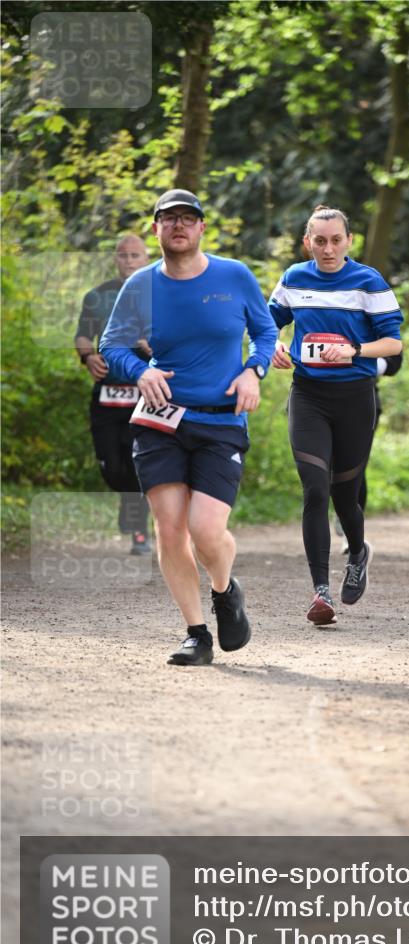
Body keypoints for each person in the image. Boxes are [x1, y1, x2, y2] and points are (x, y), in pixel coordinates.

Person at [100, 189, 277, 666]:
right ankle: (196, 633)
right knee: (171, 528)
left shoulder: (233, 275)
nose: (179, 225)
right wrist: (140, 371)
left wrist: (252, 371)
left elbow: (265, 332)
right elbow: (110, 345)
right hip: (160, 422)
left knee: (206, 530)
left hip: (220, 422)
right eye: (168, 218)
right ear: (156, 228)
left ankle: (225, 589)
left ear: (201, 228)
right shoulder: (140, 285)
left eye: (188, 218)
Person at [269, 204, 403, 626]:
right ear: (307, 241)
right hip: (308, 396)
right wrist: (271, 344)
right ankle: (320, 591)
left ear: (348, 241)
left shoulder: (368, 282)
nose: (328, 249)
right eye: (319, 241)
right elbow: (264, 322)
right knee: (314, 488)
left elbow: (394, 344)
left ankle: (358, 552)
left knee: (346, 496)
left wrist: (354, 350)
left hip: (354, 400)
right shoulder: (294, 278)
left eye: (335, 240)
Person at [74, 234, 152, 554]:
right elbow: (82, 337)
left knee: (138, 465)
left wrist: (153, 347)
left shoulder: (161, 294)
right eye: (124, 256)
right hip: (106, 398)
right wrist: (88, 357)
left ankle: (139, 533)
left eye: (136, 255)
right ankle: (129, 503)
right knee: (112, 469)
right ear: (115, 259)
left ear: (147, 258)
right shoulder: (98, 296)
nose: (130, 261)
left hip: (146, 396)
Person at [336, 349, 404, 554]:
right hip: (312, 398)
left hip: (362, 401)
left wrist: (356, 361)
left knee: (354, 467)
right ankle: (322, 527)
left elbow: (394, 362)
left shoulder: (374, 317)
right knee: (322, 466)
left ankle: (351, 531)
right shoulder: (314, 316)